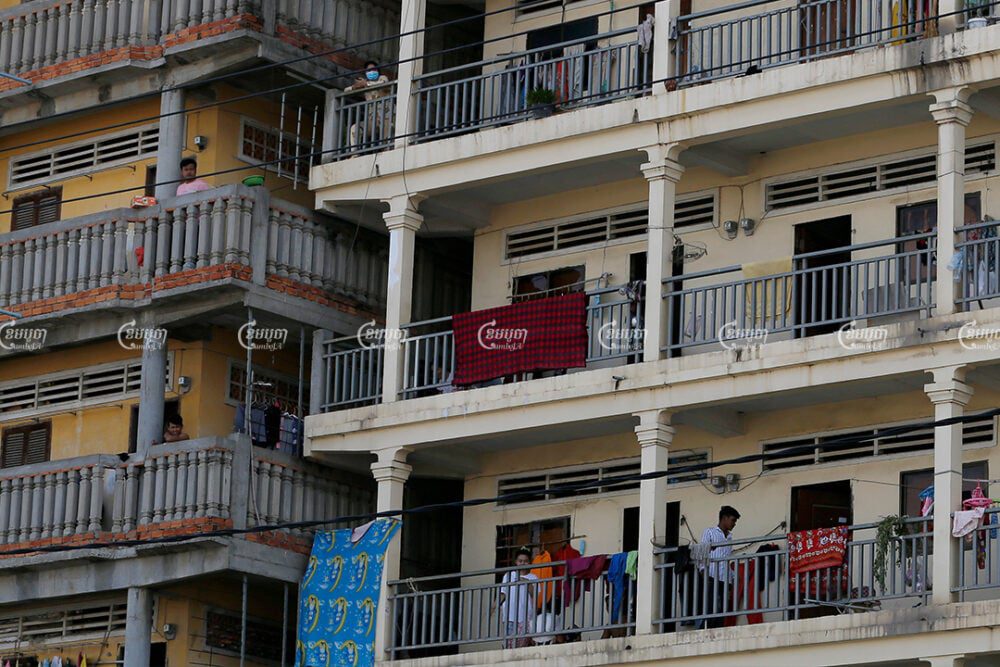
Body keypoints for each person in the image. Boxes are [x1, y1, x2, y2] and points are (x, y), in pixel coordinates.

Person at [697, 505, 740, 629]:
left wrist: (732, 577)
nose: (734, 524)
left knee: (722, 611)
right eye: (733, 520)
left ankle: (717, 631)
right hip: (711, 576)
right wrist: (703, 571)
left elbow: (727, 558)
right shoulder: (709, 532)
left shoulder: (730, 537)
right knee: (711, 608)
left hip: (725, 579)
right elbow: (702, 554)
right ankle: (705, 631)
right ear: (724, 518)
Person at [494, 548, 538, 648]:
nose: (523, 563)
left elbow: (534, 594)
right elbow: (503, 593)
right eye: (520, 561)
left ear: (529, 562)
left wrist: (526, 582)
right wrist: (495, 605)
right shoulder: (508, 575)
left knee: (523, 646)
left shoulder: (533, 577)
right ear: (516, 562)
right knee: (509, 645)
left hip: (526, 617)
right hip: (509, 616)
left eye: (526, 561)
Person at [345, 61, 392, 149]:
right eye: (369, 70)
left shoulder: (383, 78)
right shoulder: (364, 84)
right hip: (372, 119)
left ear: (378, 71)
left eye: (373, 69)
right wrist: (354, 87)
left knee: (385, 142)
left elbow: (383, 84)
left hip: (386, 117)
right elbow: (346, 91)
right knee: (355, 129)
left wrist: (366, 84)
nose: (371, 72)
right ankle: (354, 153)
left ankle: (386, 150)